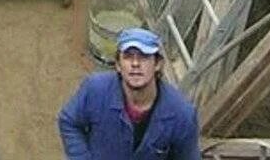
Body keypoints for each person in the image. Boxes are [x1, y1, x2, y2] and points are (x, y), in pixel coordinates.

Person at [58, 27, 201, 160]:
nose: (135, 64)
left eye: (144, 56)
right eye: (128, 56)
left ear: (157, 64)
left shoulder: (181, 114)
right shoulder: (95, 89)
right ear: (118, 65)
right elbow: (69, 121)